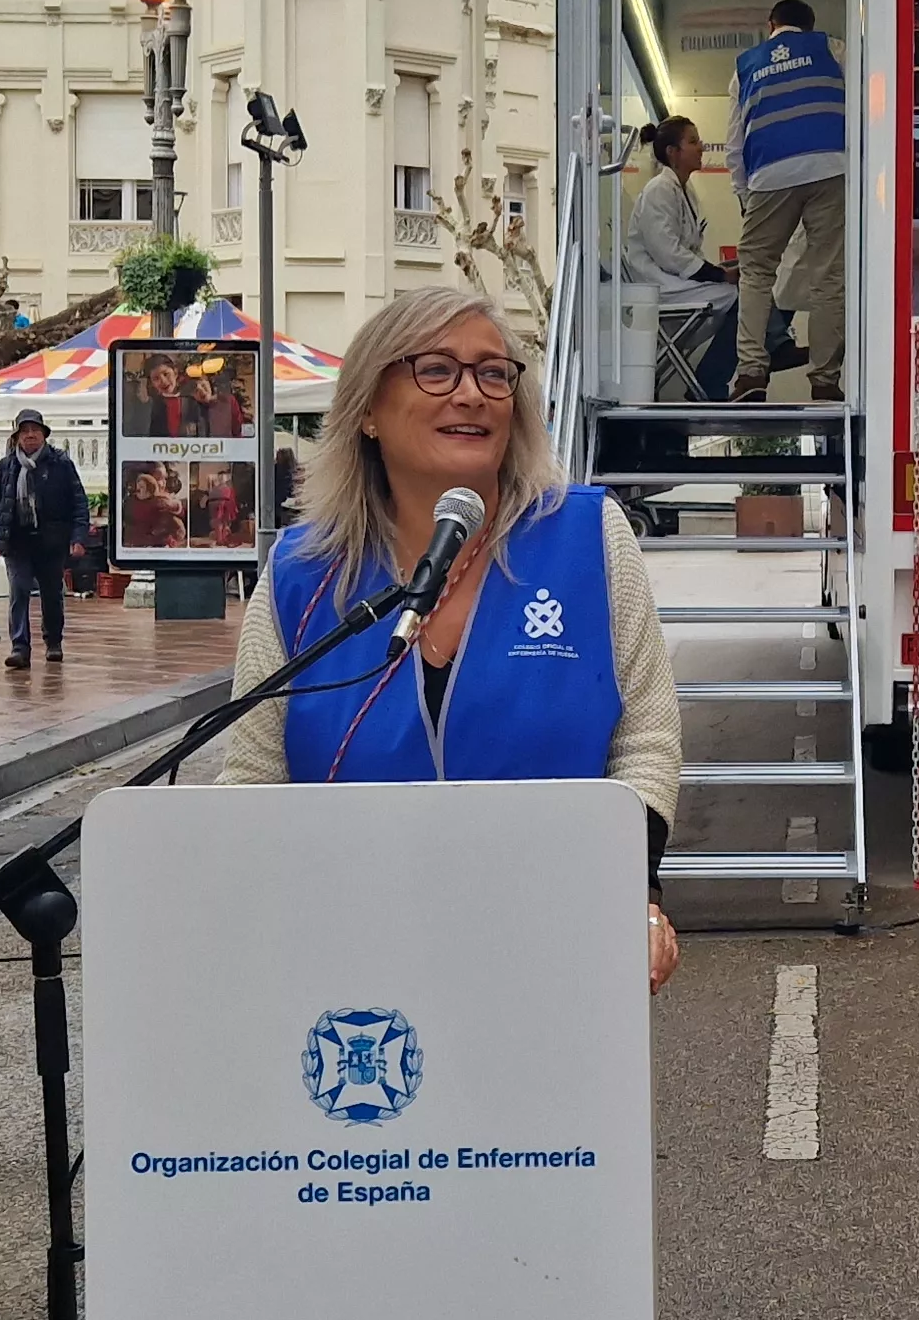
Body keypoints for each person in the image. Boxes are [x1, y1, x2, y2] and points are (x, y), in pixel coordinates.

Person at [226, 286, 682, 993]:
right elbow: (252, 778)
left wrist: (635, 893)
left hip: (552, 948)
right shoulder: (301, 574)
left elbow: (646, 740)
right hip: (349, 961)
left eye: (493, 373)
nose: (472, 393)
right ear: (369, 410)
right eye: (436, 370)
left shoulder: (587, 536)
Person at [727, 0, 847, 402]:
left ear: (770, 25)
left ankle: (750, 374)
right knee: (829, 274)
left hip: (770, 173)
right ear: (810, 28)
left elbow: (734, 144)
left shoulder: (746, 66)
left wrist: (747, 198)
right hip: (832, 167)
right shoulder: (833, 48)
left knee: (756, 271)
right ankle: (826, 380)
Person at [626, 116, 739, 399]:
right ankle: (709, 381)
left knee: (745, 293)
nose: (701, 147)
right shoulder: (658, 191)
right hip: (659, 287)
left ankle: (764, 351)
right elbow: (669, 254)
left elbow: (687, 253)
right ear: (672, 152)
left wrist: (719, 270)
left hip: (676, 282)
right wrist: (718, 275)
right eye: (693, 142)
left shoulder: (686, 191)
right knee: (739, 298)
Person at [0, 408, 90, 668]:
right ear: (17, 437)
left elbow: (79, 502)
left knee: (52, 594)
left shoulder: (60, 463)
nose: (30, 435)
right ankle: (19, 647)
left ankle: (53, 641)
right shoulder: (6, 466)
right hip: (18, 541)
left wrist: (77, 538)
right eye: (24, 431)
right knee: (19, 591)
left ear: (43, 434)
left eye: (34, 430)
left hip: (51, 541)